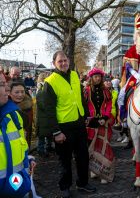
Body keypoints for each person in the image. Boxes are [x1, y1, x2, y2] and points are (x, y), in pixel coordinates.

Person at [43, 51, 96, 197]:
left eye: (65, 60)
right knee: (64, 160)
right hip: (63, 127)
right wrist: (56, 132)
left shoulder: (74, 75)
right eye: (60, 61)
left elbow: (80, 96)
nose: (63, 63)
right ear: (54, 63)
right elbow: (48, 110)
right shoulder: (50, 82)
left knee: (83, 156)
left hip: (78, 124)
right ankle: (64, 186)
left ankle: (83, 183)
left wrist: (85, 114)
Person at [0, 72, 36, 197]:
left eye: (22, 92)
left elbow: (20, 141)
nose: (6, 88)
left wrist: (27, 157)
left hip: (17, 184)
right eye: (2, 84)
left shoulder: (15, 114)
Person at [84, 68, 114, 184]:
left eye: (99, 77)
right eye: (95, 77)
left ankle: (103, 171)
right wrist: (88, 118)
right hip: (91, 123)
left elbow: (109, 104)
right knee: (92, 146)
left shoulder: (105, 90)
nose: (98, 78)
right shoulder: (86, 90)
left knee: (104, 146)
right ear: (91, 78)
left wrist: (105, 117)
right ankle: (94, 169)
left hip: (103, 122)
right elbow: (84, 106)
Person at [9, 82, 34, 149]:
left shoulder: (28, 107)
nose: (20, 95)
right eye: (16, 92)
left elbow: (29, 129)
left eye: (22, 92)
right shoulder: (5, 108)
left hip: (24, 142)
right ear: (9, 93)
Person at [36, 72, 53, 157]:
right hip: (43, 116)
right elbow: (42, 103)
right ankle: (41, 150)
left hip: (45, 115)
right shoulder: (42, 88)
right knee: (42, 135)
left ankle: (48, 146)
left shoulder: (43, 87)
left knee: (48, 132)